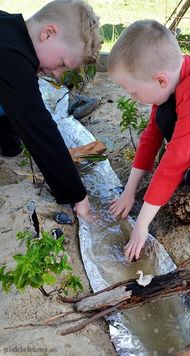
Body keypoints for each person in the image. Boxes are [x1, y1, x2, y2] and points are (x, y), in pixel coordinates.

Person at [108, 20, 190, 261]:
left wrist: (142, 225)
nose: (132, 98)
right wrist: (129, 192)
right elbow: (152, 135)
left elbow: (176, 160)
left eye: (133, 91)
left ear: (160, 81)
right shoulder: (175, 80)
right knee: (165, 115)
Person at [0, 0, 101, 219]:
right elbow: (38, 127)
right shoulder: (10, 54)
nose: (57, 74)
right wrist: (77, 195)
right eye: (62, 63)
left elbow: (13, 98)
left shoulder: (9, 31)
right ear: (48, 33)